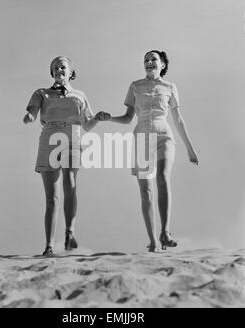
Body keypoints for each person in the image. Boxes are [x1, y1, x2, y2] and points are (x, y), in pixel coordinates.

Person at [97, 50, 199, 252]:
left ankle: (166, 232)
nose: (149, 62)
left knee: (162, 177)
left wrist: (190, 149)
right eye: (146, 60)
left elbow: (178, 120)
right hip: (142, 138)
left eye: (153, 59)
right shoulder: (135, 86)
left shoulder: (170, 87)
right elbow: (127, 118)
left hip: (164, 137)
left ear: (162, 65)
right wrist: (109, 117)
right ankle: (153, 241)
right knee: (146, 192)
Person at [23, 56, 107, 256]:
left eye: (63, 66)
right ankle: (49, 246)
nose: (59, 69)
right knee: (51, 197)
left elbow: (87, 125)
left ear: (71, 72)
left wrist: (97, 117)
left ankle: (70, 232)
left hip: (72, 138)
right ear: (52, 73)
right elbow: (33, 112)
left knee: (70, 183)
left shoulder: (79, 95)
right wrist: (30, 116)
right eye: (55, 67)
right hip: (50, 139)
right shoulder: (41, 93)